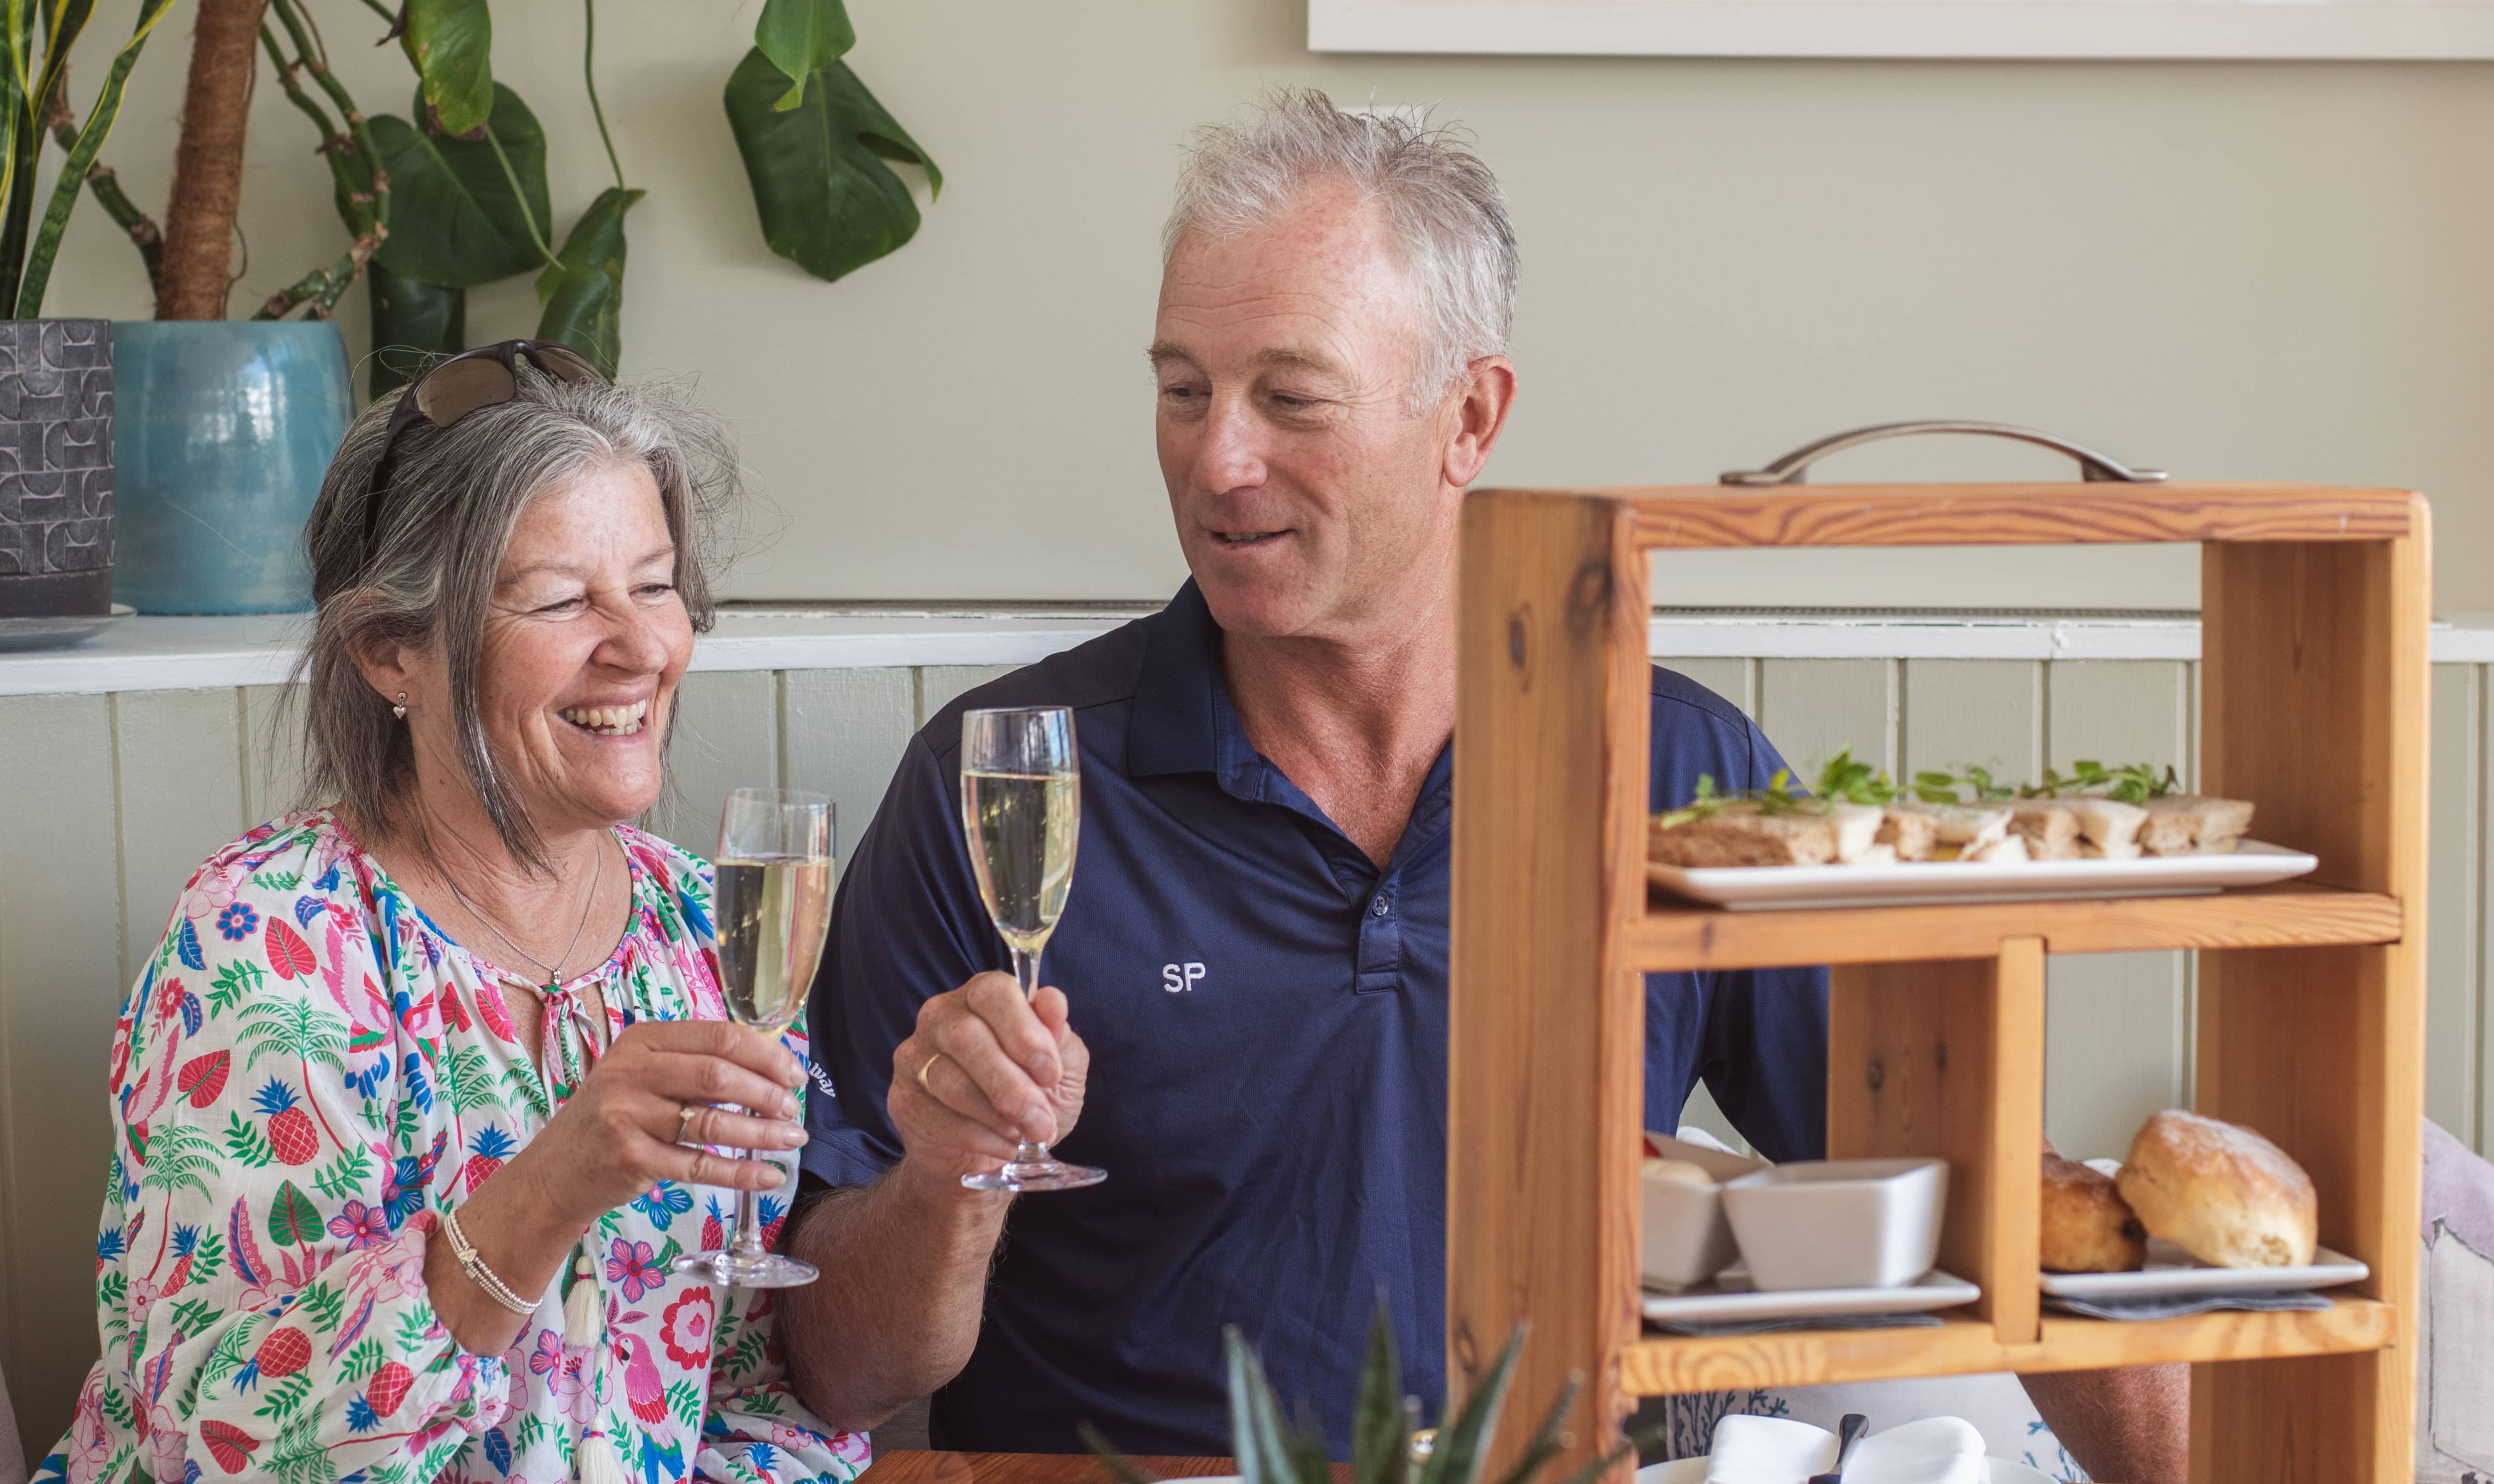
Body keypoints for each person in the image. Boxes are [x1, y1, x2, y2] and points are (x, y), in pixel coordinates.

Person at [777, 91, 2188, 1484]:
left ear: (1470, 418)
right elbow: (836, 1370)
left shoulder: (1678, 776)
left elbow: (1972, 1188)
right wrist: (946, 1180)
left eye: (1290, 396)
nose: (1217, 458)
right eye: (1182, 389)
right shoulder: (1001, 773)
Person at [36, 347, 865, 1484]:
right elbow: (223, 1441)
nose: (641, 647)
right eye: (566, 598)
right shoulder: (273, 939)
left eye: (656, 582)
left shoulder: (698, 927)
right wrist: (551, 1187)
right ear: (390, 653)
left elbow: (747, 1391)